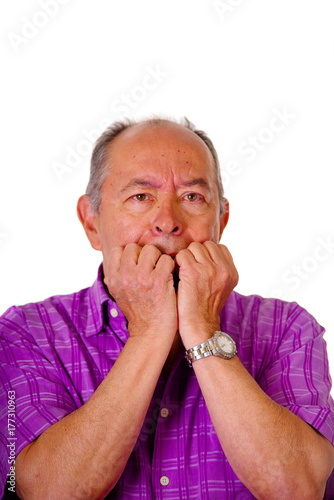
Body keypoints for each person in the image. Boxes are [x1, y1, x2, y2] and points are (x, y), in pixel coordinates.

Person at [0, 117, 333, 500]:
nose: (168, 223)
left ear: (220, 221)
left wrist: (203, 330)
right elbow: (47, 491)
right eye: (141, 197)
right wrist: (150, 333)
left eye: (192, 197)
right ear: (91, 222)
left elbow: (298, 488)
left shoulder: (288, 328)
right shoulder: (25, 333)